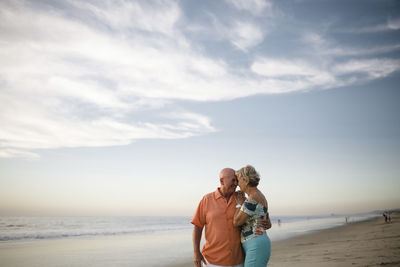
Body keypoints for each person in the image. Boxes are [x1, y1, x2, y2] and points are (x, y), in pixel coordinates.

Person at [191, 168, 244, 267]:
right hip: (212, 261)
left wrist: (265, 220)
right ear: (221, 181)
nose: (236, 183)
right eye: (233, 180)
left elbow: (254, 216)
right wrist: (196, 252)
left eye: (237, 180)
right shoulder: (207, 199)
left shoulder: (241, 199)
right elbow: (197, 227)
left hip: (238, 261)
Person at [233, 165, 271, 267]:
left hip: (255, 243)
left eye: (238, 180)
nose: (237, 184)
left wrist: (239, 204)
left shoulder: (252, 198)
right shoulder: (258, 195)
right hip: (257, 242)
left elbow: (236, 222)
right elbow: (266, 221)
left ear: (246, 181)